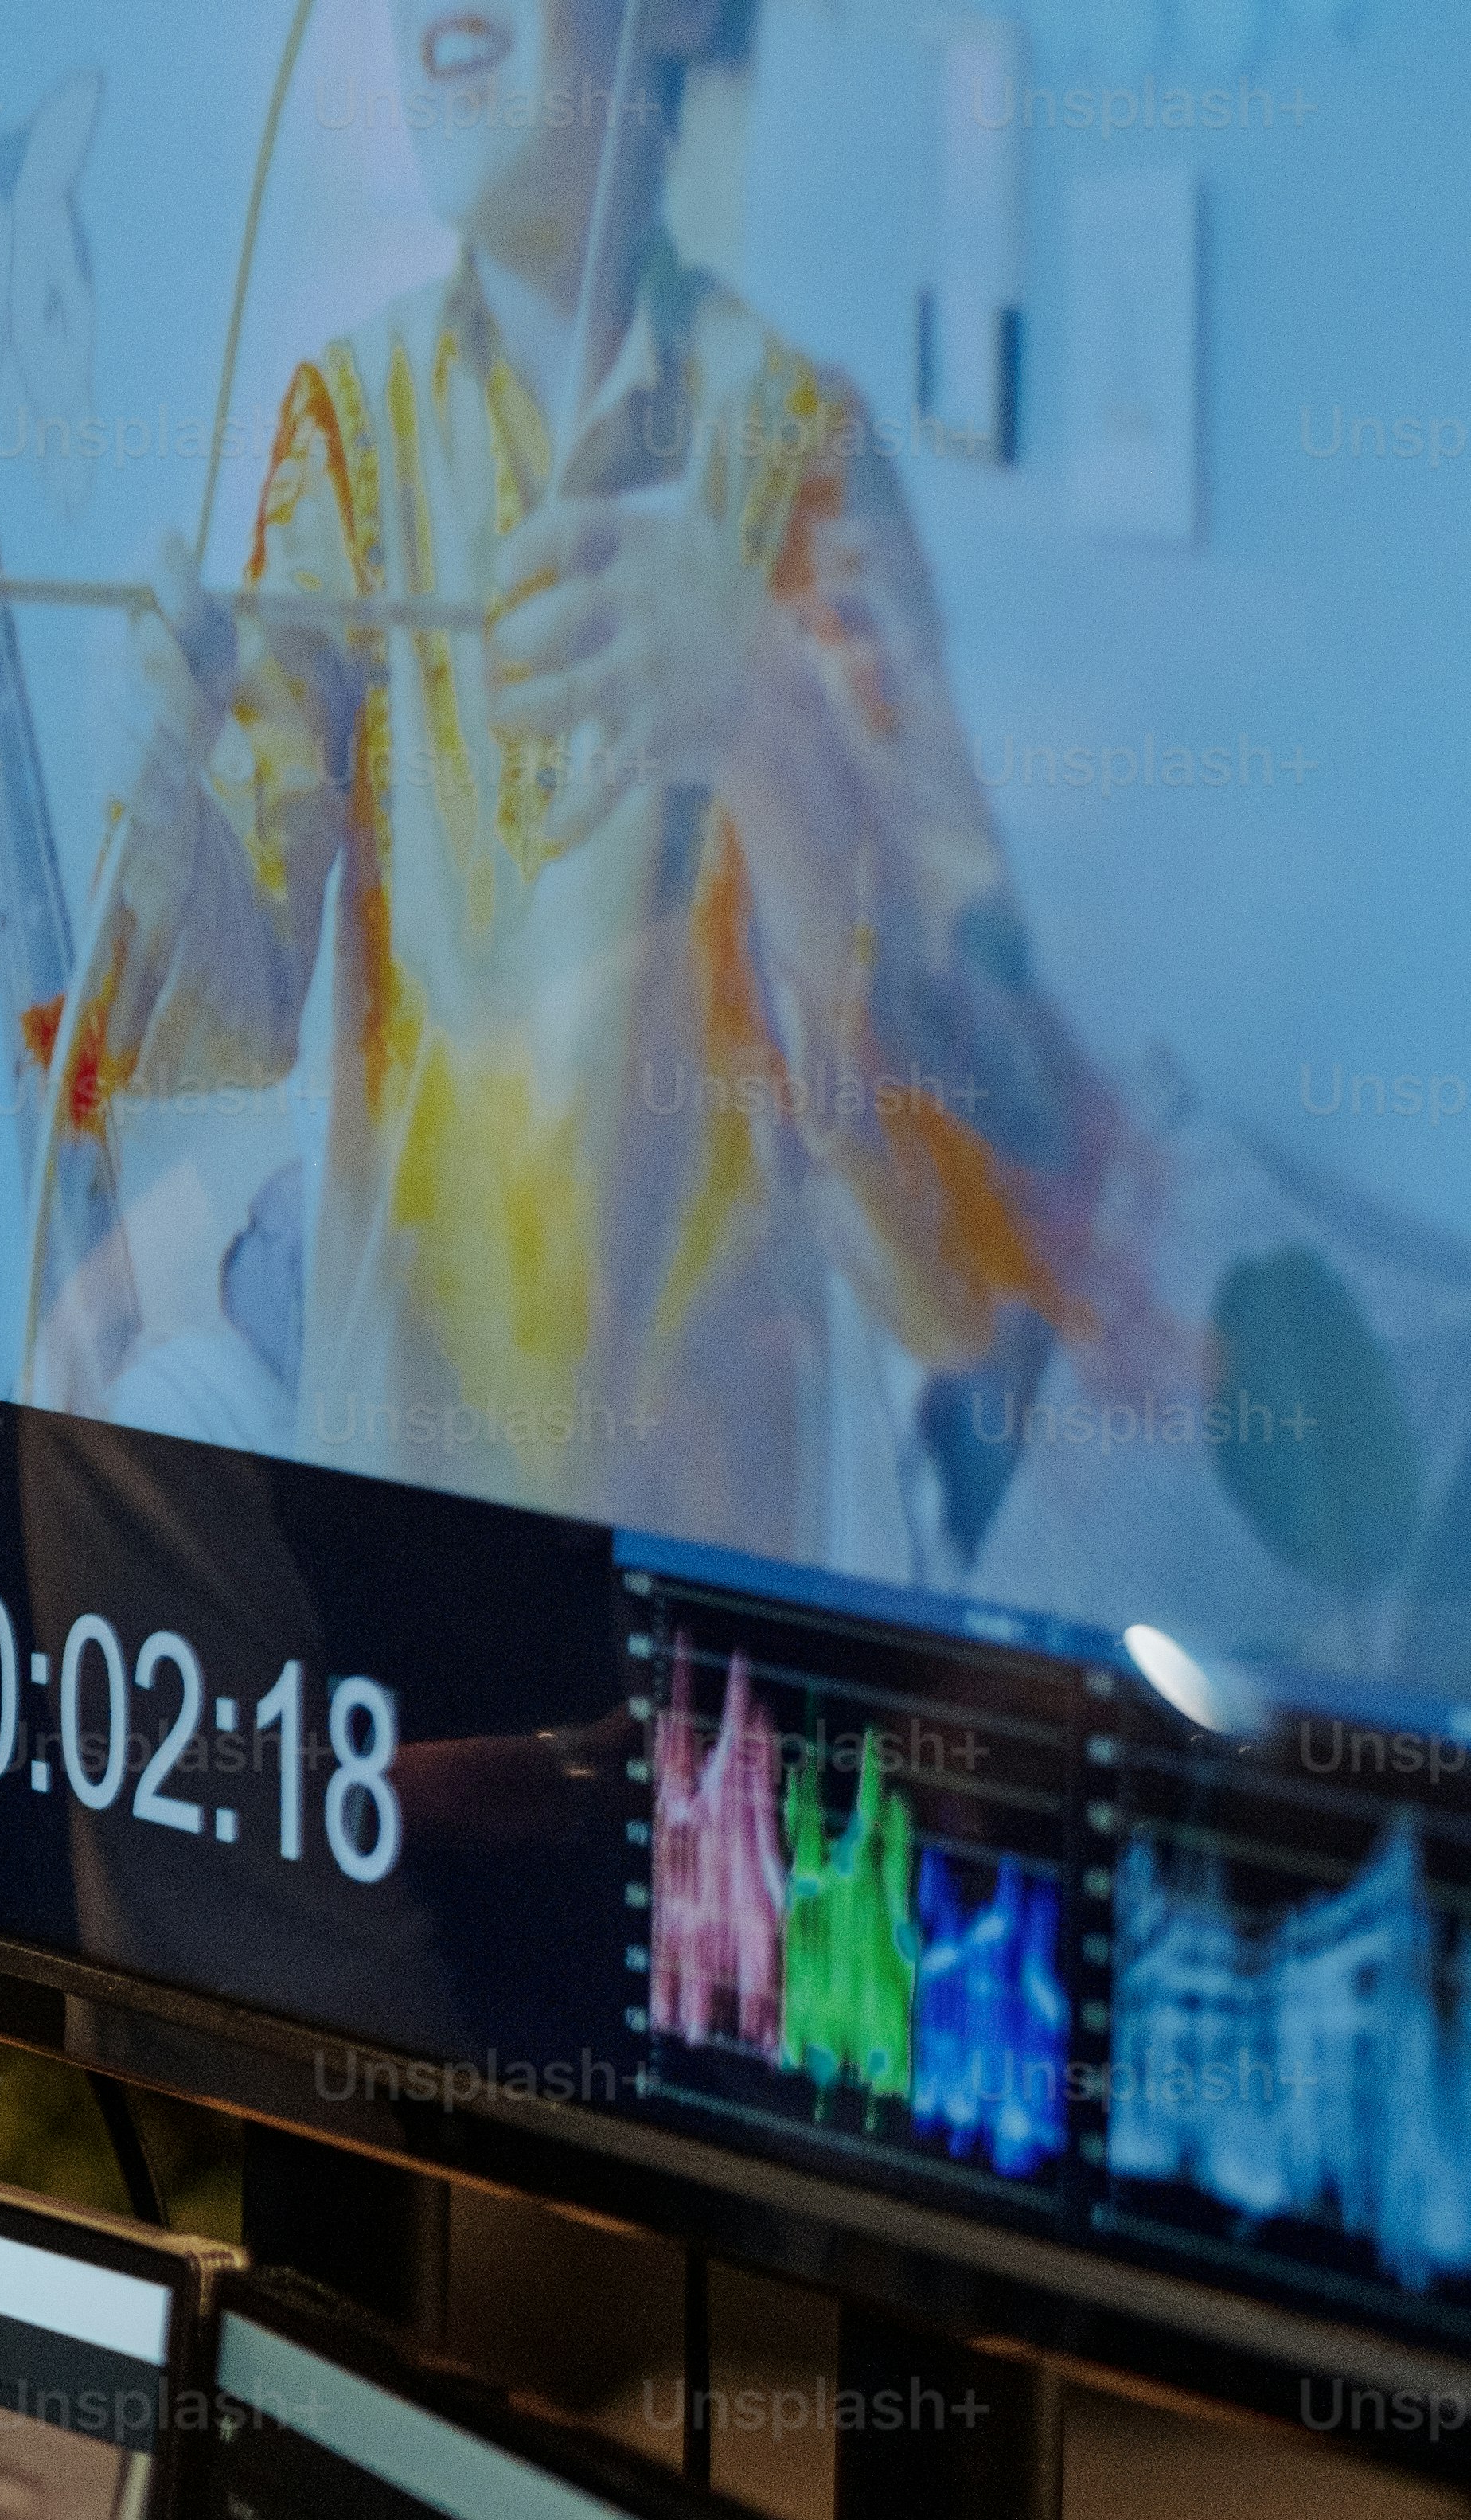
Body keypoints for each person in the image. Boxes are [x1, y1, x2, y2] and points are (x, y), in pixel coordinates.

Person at [79, 0, 1175, 1551]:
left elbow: (962, 1270)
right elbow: (235, 1003)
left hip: (701, 1558)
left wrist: (771, 733)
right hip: (394, 1508)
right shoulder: (351, 430)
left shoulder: (800, 448)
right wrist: (156, 776)